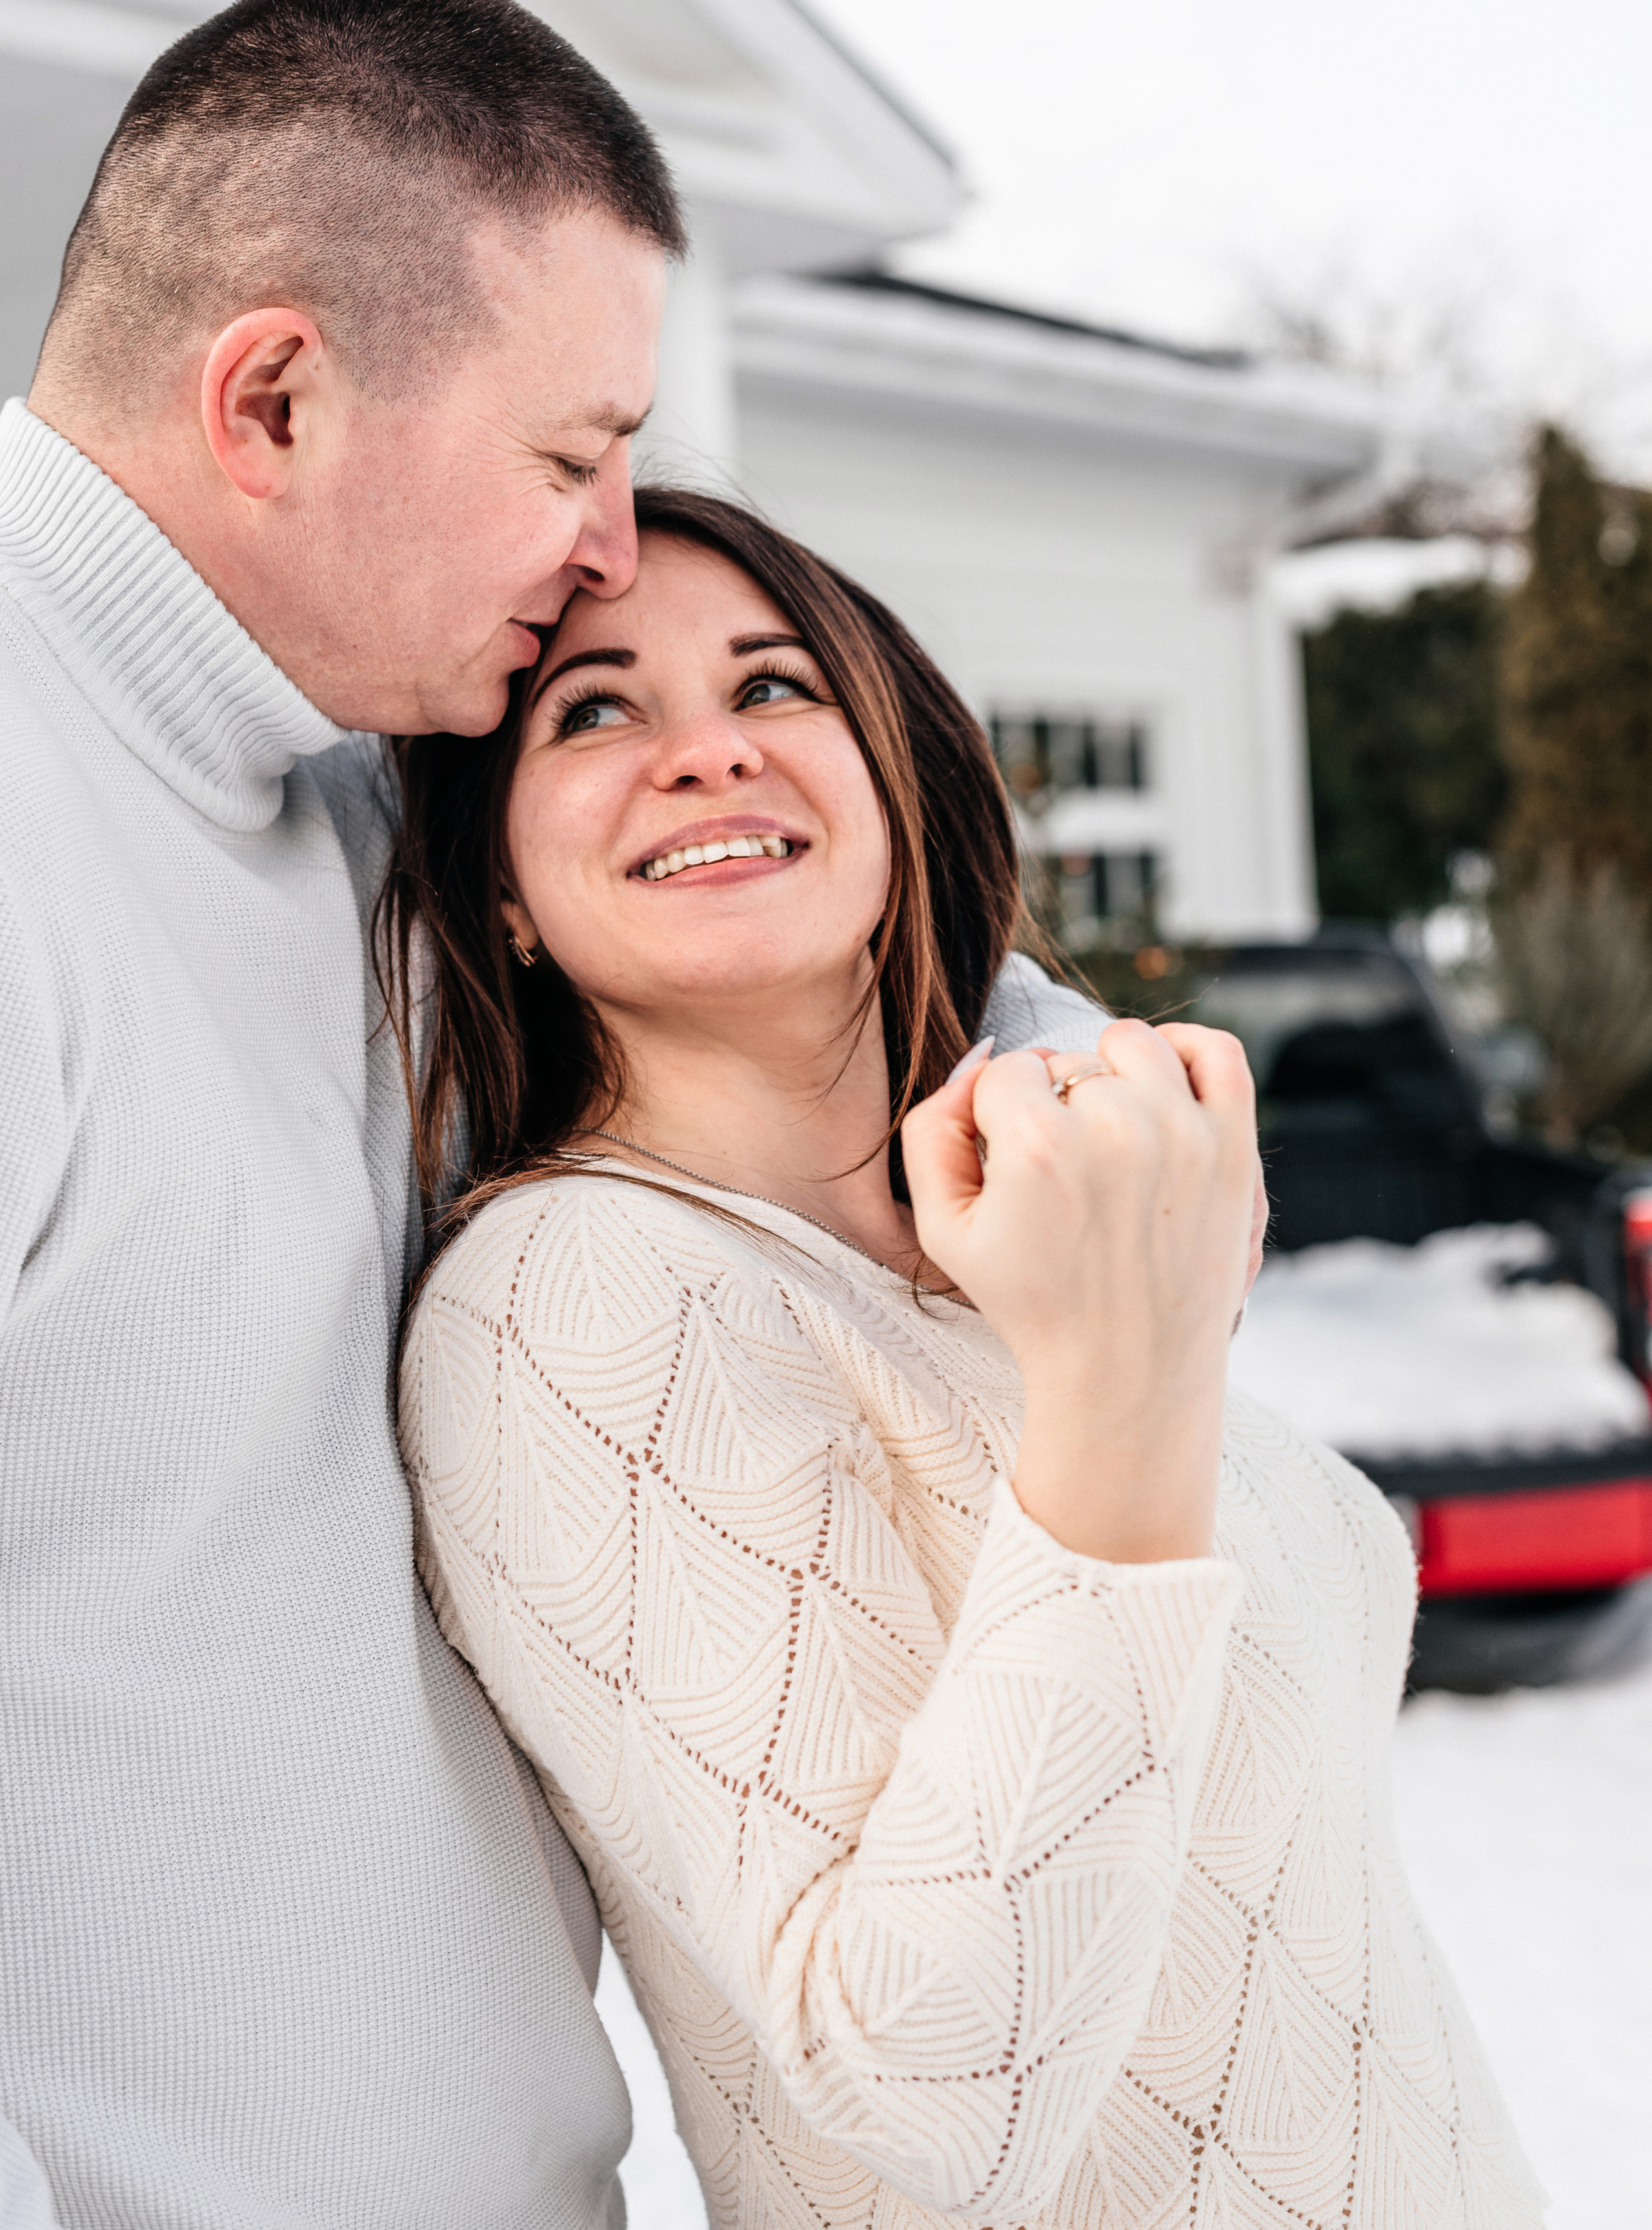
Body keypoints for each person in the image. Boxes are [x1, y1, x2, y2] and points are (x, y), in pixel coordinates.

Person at [0, 0, 1109, 2225]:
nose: (614, 536)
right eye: (570, 456)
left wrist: (1083, 1097)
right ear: (279, 399)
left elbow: (797, 968)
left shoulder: (333, 788)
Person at [393, 491, 1545, 2229]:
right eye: (598, 708)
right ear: (510, 893)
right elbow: (929, 2088)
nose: (704, 753)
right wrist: (1124, 1391)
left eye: (773, 687)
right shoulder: (572, 1304)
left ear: (896, 789)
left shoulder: (1005, 1249)